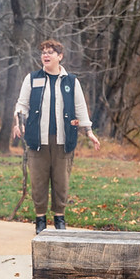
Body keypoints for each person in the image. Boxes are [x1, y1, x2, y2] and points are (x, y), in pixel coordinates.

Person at [12, 39, 101, 234]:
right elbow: (22, 105)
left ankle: (59, 218)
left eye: (50, 52)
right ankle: (40, 219)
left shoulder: (71, 81)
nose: (46, 55)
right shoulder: (32, 78)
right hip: (37, 140)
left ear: (60, 56)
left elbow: (80, 109)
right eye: (43, 52)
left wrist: (89, 132)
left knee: (61, 181)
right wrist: (18, 123)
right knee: (38, 180)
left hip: (63, 140)